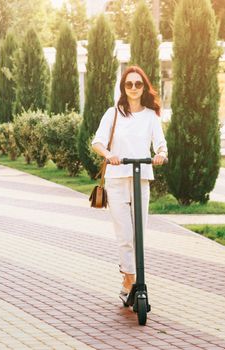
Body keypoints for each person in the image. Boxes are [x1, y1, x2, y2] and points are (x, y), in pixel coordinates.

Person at [91, 65, 167, 300]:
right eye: (129, 84)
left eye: (138, 84)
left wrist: (160, 154)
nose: (133, 88)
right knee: (124, 234)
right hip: (116, 179)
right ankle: (129, 280)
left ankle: (135, 281)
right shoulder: (112, 113)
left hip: (141, 178)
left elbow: (161, 144)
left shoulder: (151, 116)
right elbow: (98, 142)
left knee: (139, 234)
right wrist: (108, 155)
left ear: (144, 87)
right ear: (123, 87)